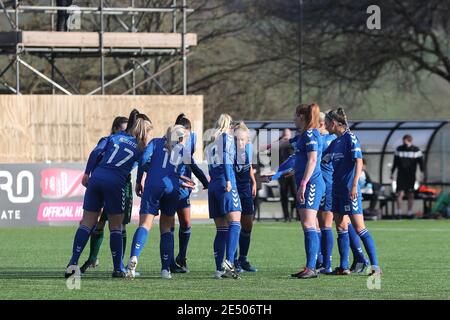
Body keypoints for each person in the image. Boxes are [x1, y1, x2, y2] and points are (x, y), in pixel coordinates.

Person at [65, 111, 153, 278]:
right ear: (144, 131)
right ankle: (118, 268)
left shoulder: (113, 137)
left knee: (86, 223)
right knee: (116, 228)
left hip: (97, 177)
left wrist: (87, 173)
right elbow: (144, 165)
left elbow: (96, 152)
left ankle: (73, 263)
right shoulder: (141, 147)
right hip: (115, 183)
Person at [125, 125, 196, 279]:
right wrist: (206, 183)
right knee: (166, 228)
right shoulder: (181, 150)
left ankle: (133, 258)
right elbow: (194, 167)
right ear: (181, 138)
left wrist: (143, 177)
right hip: (171, 189)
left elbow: (143, 160)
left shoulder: (155, 142)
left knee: (144, 225)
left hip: (152, 187)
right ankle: (165, 269)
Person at [323, 108, 381, 276]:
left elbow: (359, 162)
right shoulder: (335, 142)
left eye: (326, 123)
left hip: (350, 191)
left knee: (359, 227)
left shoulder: (350, 138)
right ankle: (344, 266)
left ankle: (375, 267)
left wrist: (355, 185)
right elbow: (319, 159)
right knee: (341, 226)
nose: (325, 126)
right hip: (337, 190)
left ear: (333, 123)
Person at [79, 116, 130, 274]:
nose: (125, 133)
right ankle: (92, 258)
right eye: (122, 129)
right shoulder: (108, 141)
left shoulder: (131, 144)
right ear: (114, 128)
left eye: (127, 130)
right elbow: (95, 155)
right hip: (104, 185)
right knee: (98, 223)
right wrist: (88, 173)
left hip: (122, 185)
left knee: (120, 225)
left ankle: (119, 264)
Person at [289, 103, 325, 279]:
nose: (293, 119)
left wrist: (304, 183)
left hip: (311, 183)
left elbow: (312, 160)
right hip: (306, 182)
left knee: (308, 224)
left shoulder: (310, 134)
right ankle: (316, 263)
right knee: (312, 225)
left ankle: (311, 267)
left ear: (301, 116)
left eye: (295, 115)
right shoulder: (305, 135)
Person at [169, 114, 209, 273]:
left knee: (186, 222)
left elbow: (190, 161)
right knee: (169, 224)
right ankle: (169, 260)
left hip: (185, 186)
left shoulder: (192, 138)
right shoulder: (169, 142)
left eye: (187, 133)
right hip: (171, 184)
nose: (185, 136)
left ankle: (182, 256)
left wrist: (205, 182)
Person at [205, 114, 242, 279]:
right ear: (229, 125)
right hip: (225, 182)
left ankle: (219, 269)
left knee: (221, 229)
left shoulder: (210, 143)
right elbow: (227, 160)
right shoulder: (226, 138)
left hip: (213, 185)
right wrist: (228, 179)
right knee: (235, 222)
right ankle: (229, 261)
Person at [233, 122, 258, 273]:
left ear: (247, 140)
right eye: (238, 140)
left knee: (248, 224)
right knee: (234, 225)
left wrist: (254, 182)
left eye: (243, 140)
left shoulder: (248, 149)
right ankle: (233, 260)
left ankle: (243, 259)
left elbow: (249, 168)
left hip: (246, 189)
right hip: (234, 190)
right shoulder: (229, 152)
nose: (240, 142)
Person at [391, 134, 424, 218]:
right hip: (401, 175)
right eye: (403, 140)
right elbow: (395, 163)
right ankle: (399, 212)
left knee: (411, 194)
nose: (404, 142)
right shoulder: (399, 149)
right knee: (400, 194)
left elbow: (421, 163)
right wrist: (392, 173)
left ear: (410, 141)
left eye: (406, 140)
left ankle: (409, 213)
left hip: (411, 176)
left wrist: (423, 173)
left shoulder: (416, 150)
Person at [278, 129, 297, 222]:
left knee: (295, 194)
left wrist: (289, 142)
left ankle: (299, 216)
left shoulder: (293, 143)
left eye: (287, 135)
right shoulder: (278, 144)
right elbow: (272, 158)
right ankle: (286, 216)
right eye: (284, 135)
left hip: (293, 173)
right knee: (284, 195)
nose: (286, 137)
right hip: (282, 173)